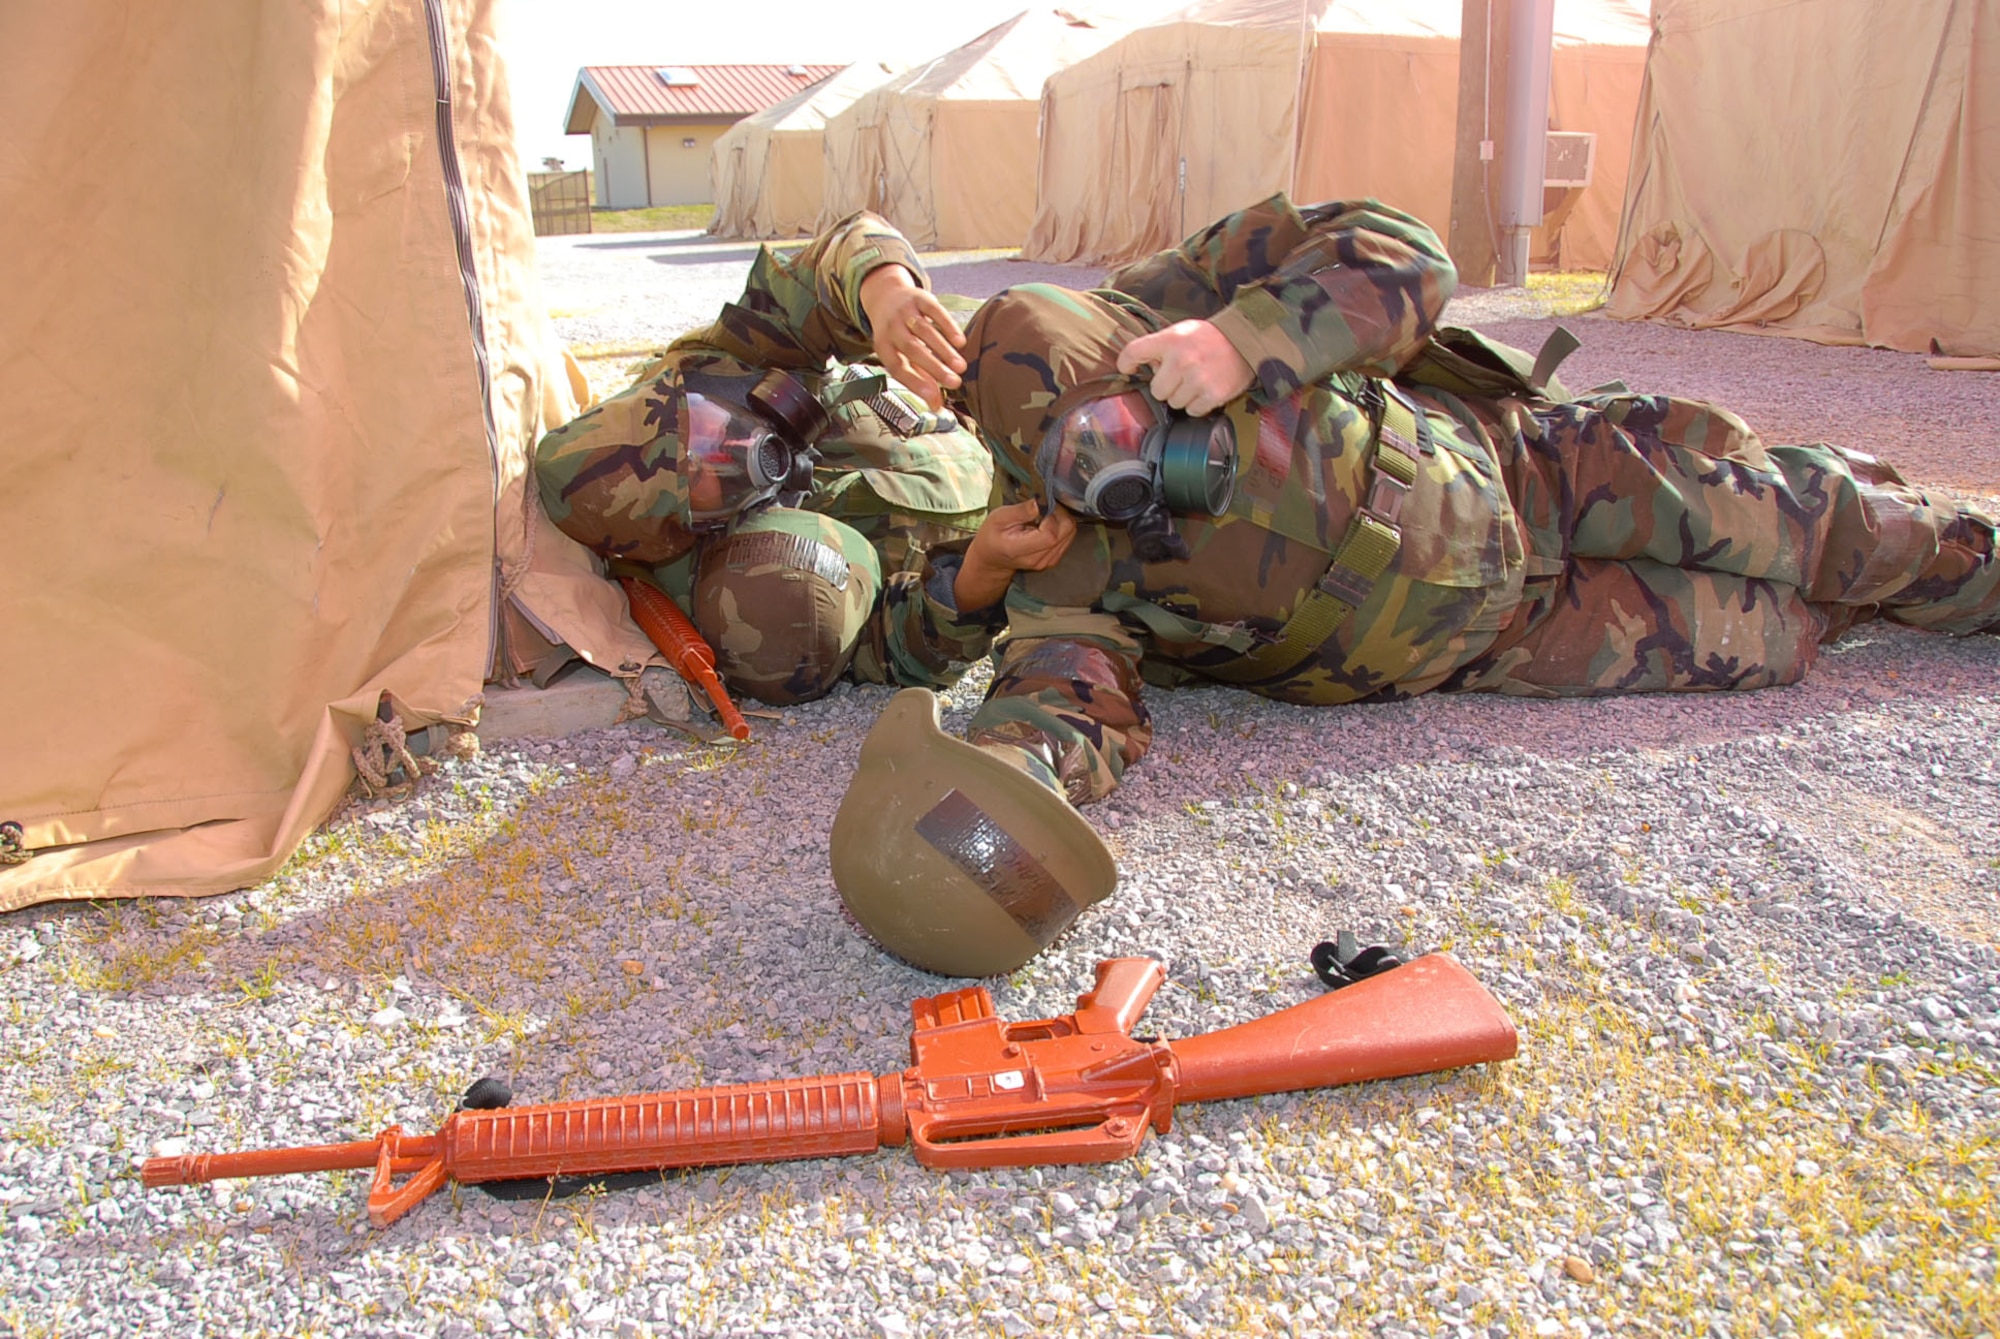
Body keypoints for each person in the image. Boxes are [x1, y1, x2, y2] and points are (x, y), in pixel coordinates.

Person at [810, 193, 2000, 977]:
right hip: (1496, 637)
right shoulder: (1055, 552)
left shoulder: (1188, 293)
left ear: (1112, 336)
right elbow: (1063, 702)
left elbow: (1402, 253)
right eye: (1089, 461)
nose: (1132, 469)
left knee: (1832, 530)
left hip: (1524, 477)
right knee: (1781, 632)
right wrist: (993, 798)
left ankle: (1972, 570)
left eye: (1121, 423)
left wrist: (1239, 342)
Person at [533, 228, 1000, 705]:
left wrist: (886, 291)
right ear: (680, 531)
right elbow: (894, 646)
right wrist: (981, 578)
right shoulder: (747, 588)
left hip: (985, 405)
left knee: (1028, 323)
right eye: (706, 477)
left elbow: (831, 260)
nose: (734, 447)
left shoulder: (723, 369)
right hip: (1026, 546)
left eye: (707, 430)